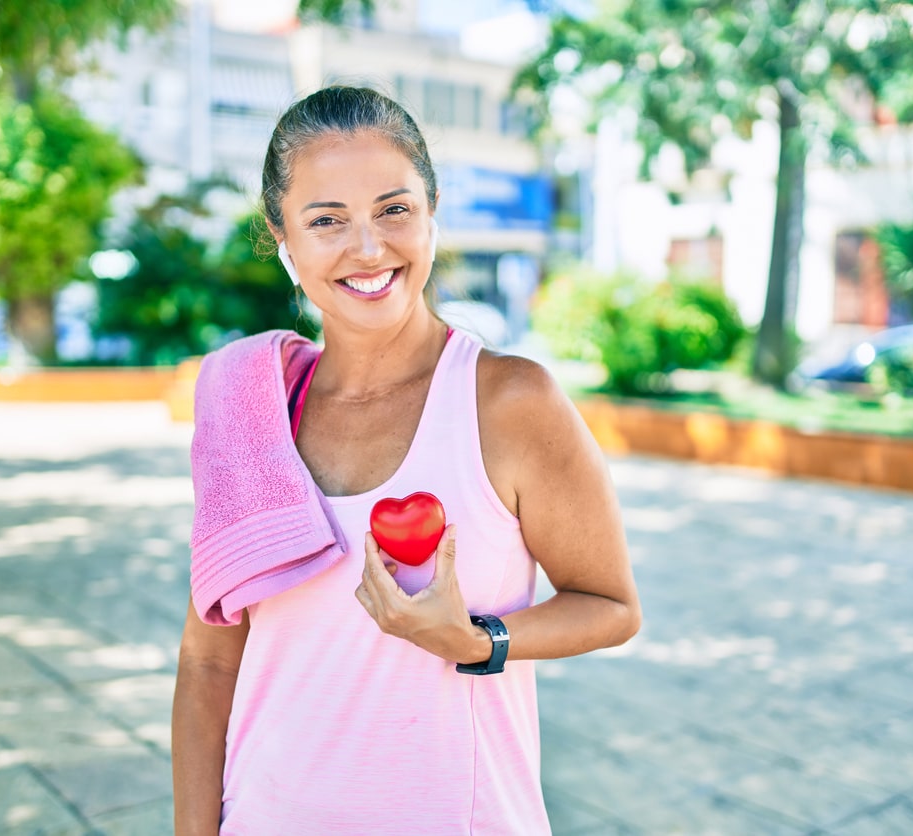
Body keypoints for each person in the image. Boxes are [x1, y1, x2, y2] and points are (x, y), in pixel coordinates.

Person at [172, 85, 641, 835]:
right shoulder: (249, 411)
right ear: (283, 238)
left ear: (431, 213)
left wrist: (478, 641)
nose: (368, 248)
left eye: (394, 209)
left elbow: (612, 608)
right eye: (327, 221)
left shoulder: (509, 402)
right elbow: (208, 662)